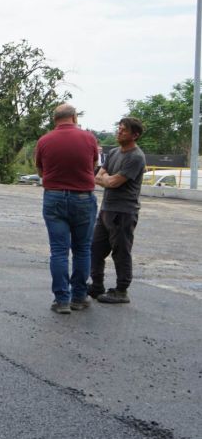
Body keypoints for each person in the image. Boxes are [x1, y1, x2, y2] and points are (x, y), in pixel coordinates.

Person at [34, 103, 100, 314]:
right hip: (82, 198)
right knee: (82, 249)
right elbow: (93, 166)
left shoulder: (44, 140)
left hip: (54, 198)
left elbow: (41, 171)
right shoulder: (89, 138)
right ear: (74, 117)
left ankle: (62, 300)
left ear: (55, 120)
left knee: (59, 251)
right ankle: (79, 297)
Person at [89, 117, 146, 305]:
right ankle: (97, 286)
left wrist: (107, 179)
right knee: (95, 249)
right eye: (119, 129)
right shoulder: (113, 152)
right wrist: (107, 179)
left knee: (121, 252)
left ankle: (121, 291)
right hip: (106, 209)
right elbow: (98, 177)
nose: (119, 132)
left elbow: (113, 182)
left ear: (135, 135)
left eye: (124, 130)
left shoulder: (136, 157)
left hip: (123, 212)